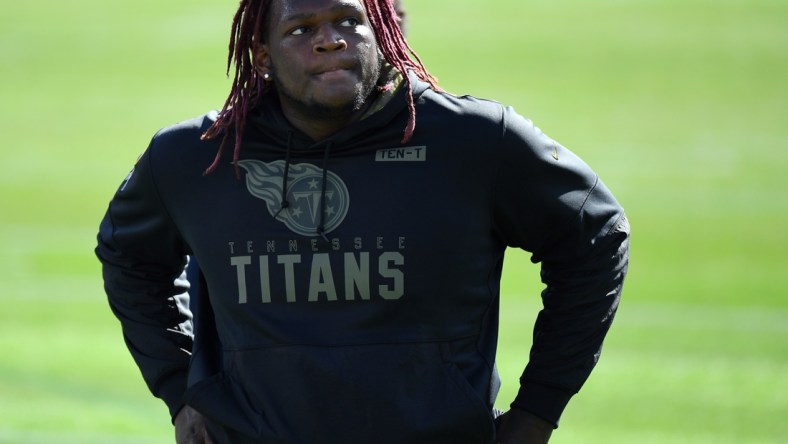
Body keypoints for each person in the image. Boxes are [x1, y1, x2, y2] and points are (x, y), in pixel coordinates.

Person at [95, 0, 630, 443]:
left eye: (348, 20)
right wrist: (178, 388)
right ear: (261, 56)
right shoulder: (197, 158)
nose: (330, 40)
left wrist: (537, 410)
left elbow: (595, 236)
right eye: (301, 29)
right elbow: (128, 256)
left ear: (382, 30)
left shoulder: (473, 142)